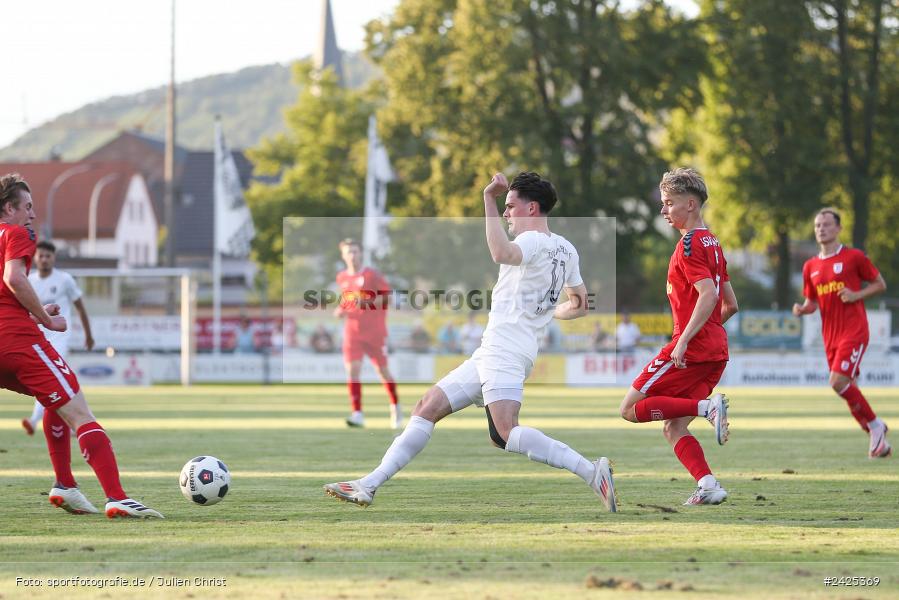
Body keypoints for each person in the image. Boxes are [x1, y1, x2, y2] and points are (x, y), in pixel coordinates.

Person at [324, 171, 617, 512]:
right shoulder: (566, 248)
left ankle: (592, 471)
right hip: (500, 350)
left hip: (504, 350)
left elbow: (499, 253)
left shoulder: (532, 241)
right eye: (503, 207)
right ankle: (369, 484)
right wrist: (546, 312)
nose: (506, 213)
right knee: (427, 406)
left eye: (511, 206)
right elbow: (579, 305)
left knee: (506, 432)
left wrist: (488, 199)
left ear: (532, 208)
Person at [0, 173, 161, 518]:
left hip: (6, 340)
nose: (31, 215)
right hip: (18, 343)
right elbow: (12, 278)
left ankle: (65, 485)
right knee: (80, 412)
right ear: (9, 208)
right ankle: (117, 496)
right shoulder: (17, 233)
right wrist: (44, 317)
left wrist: (30, 314)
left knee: (53, 403)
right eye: (27, 207)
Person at [619, 168, 738, 506]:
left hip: (692, 350)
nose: (664, 210)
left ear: (690, 204)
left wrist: (685, 340)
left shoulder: (689, 244)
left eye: (668, 203)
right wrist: (709, 330)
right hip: (715, 352)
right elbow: (731, 304)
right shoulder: (712, 242)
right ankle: (708, 484)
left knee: (629, 408)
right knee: (673, 428)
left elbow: (709, 297)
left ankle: (706, 408)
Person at [793, 208, 890, 458]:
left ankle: (876, 426)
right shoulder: (810, 266)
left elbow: (880, 284)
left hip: (854, 330)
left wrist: (857, 294)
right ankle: (879, 443)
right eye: (817, 225)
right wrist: (804, 309)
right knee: (849, 388)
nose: (821, 229)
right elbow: (812, 302)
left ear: (838, 228)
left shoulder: (854, 257)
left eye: (826, 224)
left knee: (837, 382)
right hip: (830, 336)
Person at [21, 240, 94, 435]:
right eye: (41, 255)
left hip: (59, 337)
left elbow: (80, 306)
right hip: (37, 337)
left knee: (48, 376)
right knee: (58, 378)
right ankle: (81, 419)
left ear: (54, 258)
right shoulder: (28, 280)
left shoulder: (65, 280)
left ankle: (34, 420)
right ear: (35, 258)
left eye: (48, 256)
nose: (44, 259)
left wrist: (88, 334)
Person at [334, 238, 402, 429]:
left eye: (355, 251)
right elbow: (347, 301)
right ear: (343, 255)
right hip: (352, 332)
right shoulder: (342, 277)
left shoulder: (372, 275)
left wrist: (367, 303)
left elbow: (387, 297)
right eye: (349, 252)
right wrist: (341, 310)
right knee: (352, 370)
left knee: (382, 370)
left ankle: (395, 405)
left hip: (374, 331)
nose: (352, 255)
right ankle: (357, 413)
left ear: (361, 253)